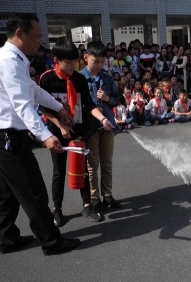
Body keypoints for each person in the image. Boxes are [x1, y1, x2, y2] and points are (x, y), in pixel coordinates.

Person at [0, 13, 80, 255]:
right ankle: (51, 241)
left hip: (5, 134)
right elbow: (22, 104)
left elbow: (33, 90)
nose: (40, 42)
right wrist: (45, 135)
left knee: (7, 194)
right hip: (10, 135)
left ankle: (7, 238)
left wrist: (59, 107)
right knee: (33, 190)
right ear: (19, 34)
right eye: (36, 37)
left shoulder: (15, 59)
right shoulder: (9, 61)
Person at [40, 38, 115, 226]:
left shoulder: (79, 79)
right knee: (59, 171)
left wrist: (103, 119)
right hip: (57, 134)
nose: (73, 66)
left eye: (75, 62)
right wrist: (61, 125)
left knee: (82, 170)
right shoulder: (47, 79)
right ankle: (57, 209)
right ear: (56, 60)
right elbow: (44, 109)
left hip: (79, 132)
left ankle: (87, 204)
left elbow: (89, 106)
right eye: (69, 62)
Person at [80, 41, 122, 211]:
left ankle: (108, 196)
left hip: (108, 127)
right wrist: (90, 109)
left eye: (101, 61)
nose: (98, 65)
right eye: (94, 61)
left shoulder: (108, 78)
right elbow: (77, 105)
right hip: (90, 130)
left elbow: (117, 100)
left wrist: (106, 99)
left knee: (107, 163)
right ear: (85, 58)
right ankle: (94, 197)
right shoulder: (80, 78)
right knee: (92, 165)